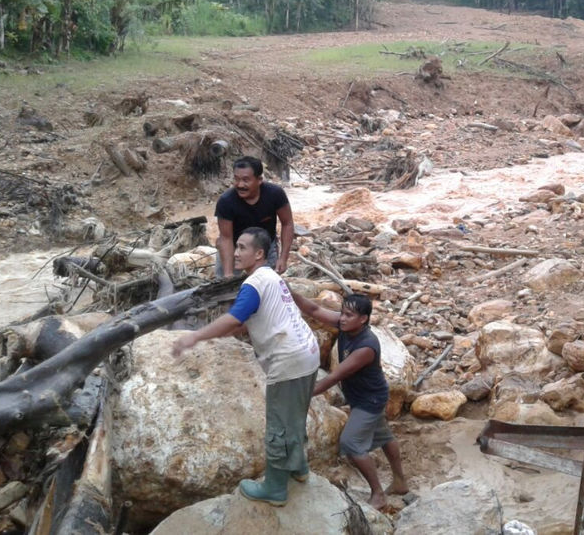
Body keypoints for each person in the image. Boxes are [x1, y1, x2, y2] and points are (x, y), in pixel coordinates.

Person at [172, 227, 320, 506]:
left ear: (259, 253)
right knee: (295, 416)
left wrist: (195, 336)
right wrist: (218, 334)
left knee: (278, 425)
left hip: (288, 361)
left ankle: (275, 488)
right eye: (236, 247)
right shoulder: (272, 277)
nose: (236, 253)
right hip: (308, 353)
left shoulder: (253, 284)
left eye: (242, 248)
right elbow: (245, 322)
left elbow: (234, 318)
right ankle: (299, 467)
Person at [291, 291, 408, 510]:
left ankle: (378, 494)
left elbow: (334, 377)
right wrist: (286, 289)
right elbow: (313, 309)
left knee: (351, 443)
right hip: (364, 394)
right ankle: (400, 481)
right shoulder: (346, 325)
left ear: (363, 319)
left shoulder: (366, 347)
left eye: (349, 315)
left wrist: (301, 395)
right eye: (342, 313)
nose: (342, 318)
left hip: (370, 400)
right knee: (383, 435)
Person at [215, 156, 294, 277]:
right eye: (236, 179)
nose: (240, 185)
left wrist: (283, 258)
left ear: (259, 179)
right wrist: (228, 273)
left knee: (265, 283)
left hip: (265, 249)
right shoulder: (226, 201)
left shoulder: (275, 194)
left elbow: (287, 223)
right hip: (235, 249)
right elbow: (226, 238)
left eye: (246, 180)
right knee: (225, 285)